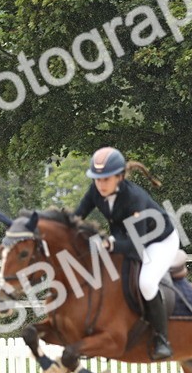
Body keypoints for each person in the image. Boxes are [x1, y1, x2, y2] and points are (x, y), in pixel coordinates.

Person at [74, 146, 179, 360]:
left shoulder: (134, 198)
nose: (101, 184)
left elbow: (136, 245)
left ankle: (162, 339)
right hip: (124, 238)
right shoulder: (95, 191)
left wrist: (108, 245)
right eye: (97, 179)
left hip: (158, 241)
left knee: (146, 283)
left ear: (120, 177)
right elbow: (76, 217)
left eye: (106, 179)